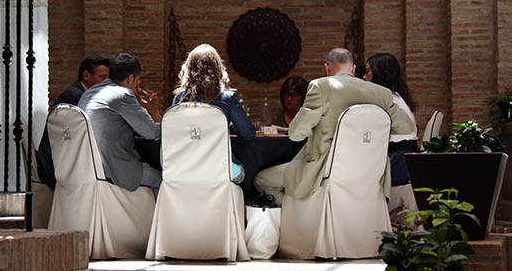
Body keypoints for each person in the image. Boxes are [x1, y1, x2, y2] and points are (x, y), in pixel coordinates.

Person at [254, 48, 415, 205]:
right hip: (369, 173)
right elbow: (406, 127)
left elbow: (296, 134)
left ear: (327, 67)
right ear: (353, 69)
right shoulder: (381, 93)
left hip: (325, 171)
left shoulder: (320, 87)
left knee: (262, 179)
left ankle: (306, 214)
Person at [78, 53, 162, 194]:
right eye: (137, 80)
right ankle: (155, 217)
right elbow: (152, 133)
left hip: (89, 167)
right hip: (114, 167)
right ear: (130, 78)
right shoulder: (123, 94)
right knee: (163, 180)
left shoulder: (89, 92)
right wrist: (154, 112)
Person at [172, 43, 255, 183]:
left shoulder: (180, 98)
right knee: (241, 174)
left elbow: (174, 132)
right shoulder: (228, 98)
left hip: (186, 168)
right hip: (221, 170)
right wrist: (227, 126)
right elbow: (248, 134)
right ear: (218, 69)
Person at [36, 56, 110, 188]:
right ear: (86, 75)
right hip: (55, 166)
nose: (106, 83)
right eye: (102, 77)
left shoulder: (78, 93)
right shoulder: (76, 97)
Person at [364, 53, 418, 186]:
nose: (364, 77)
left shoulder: (387, 101)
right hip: (405, 161)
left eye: (368, 71)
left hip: (397, 164)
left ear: (379, 74)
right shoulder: (396, 97)